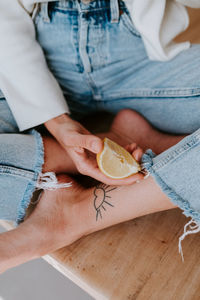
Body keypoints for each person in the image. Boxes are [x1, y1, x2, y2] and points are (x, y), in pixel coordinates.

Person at [0, 0, 200, 272]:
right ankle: (87, 152)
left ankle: (76, 215)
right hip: (32, 61)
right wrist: (58, 125)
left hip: (143, 64)